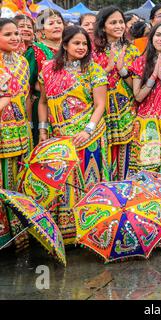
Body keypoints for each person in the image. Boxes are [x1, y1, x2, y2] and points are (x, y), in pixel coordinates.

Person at [38, 26, 109, 244]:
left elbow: (100, 105)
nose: (81, 47)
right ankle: (67, 235)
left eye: (84, 44)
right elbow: (43, 102)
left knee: (88, 183)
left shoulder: (94, 70)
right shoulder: (48, 69)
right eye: (76, 43)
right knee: (63, 184)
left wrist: (87, 130)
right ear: (65, 44)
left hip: (89, 136)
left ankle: (92, 232)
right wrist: (42, 129)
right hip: (59, 137)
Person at [93, 6, 140, 181]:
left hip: (126, 109)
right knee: (103, 150)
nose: (119, 26)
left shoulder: (132, 50)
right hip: (101, 109)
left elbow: (135, 86)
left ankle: (124, 190)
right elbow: (88, 83)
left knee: (126, 152)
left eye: (121, 22)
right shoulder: (92, 52)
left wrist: (121, 71)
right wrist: (107, 68)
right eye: (113, 22)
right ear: (103, 26)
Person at [129, 22, 161, 173]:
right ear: (151, 38)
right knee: (147, 168)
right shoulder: (140, 62)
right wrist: (152, 77)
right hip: (146, 120)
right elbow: (138, 96)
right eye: (158, 35)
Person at [0, 18, 31, 251]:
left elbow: (27, 97)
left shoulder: (22, 62)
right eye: (8, 34)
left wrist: (29, 125)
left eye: (16, 34)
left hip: (21, 130)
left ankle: (19, 234)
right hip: (2, 131)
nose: (14, 38)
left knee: (19, 180)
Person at [25, 9, 64, 147]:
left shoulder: (69, 48)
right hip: (41, 106)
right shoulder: (35, 51)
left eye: (59, 22)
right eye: (51, 23)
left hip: (68, 108)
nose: (57, 26)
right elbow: (27, 85)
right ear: (41, 30)